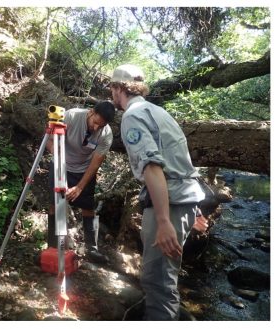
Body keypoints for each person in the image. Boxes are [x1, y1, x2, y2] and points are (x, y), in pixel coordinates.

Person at [109, 64, 205, 320]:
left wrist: (163, 222)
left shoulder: (132, 116)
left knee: (158, 281)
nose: (111, 93)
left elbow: (153, 167)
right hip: (184, 199)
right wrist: (194, 209)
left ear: (119, 88)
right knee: (165, 276)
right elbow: (181, 160)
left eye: (112, 87)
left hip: (169, 203)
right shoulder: (159, 112)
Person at [45, 101, 116, 264]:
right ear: (91, 112)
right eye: (95, 122)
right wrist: (56, 153)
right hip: (60, 164)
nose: (97, 128)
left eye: (102, 125)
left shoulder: (106, 134)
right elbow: (48, 139)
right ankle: (52, 245)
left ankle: (92, 248)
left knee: (88, 207)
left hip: (84, 169)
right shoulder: (71, 116)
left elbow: (95, 163)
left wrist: (79, 187)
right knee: (54, 203)